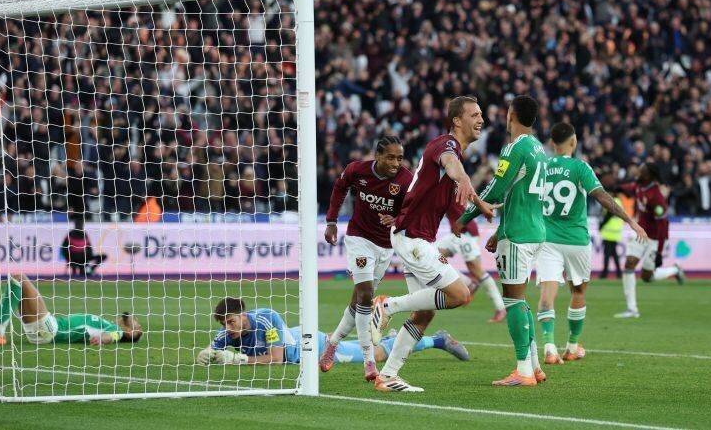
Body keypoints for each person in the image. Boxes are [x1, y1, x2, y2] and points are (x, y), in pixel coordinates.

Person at [370, 96, 495, 392]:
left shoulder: (454, 153)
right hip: (412, 237)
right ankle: (387, 306)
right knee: (460, 293)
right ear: (457, 121)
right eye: (474, 115)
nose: (481, 120)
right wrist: (464, 179)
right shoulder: (445, 146)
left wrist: (480, 204)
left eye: (481, 115)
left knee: (424, 313)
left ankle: (387, 376)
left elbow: (456, 179)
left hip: (415, 236)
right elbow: (452, 167)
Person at [534, 123, 647, 365]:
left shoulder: (541, 167)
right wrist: (630, 221)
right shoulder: (580, 167)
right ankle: (572, 346)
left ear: (553, 144)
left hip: (546, 239)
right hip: (576, 240)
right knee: (578, 292)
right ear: (573, 142)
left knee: (547, 294)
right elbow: (602, 197)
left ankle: (550, 347)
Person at [459, 95, 547, 387]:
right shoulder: (539, 149)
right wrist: (499, 231)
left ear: (511, 115)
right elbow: (519, 194)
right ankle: (533, 366)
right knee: (521, 301)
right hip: (534, 231)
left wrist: (465, 217)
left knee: (512, 300)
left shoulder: (515, 148)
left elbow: (496, 190)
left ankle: (522, 369)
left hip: (519, 235)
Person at [319, 136, 412, 381]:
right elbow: (339, 189)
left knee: (359, 300)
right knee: (366, 295)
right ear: (378, 156)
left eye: (399, 158)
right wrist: (331, 221)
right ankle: (369, 362)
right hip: (359, 239)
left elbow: (411, 209)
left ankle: (333, 341)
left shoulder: (405, 179)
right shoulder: (357, 170)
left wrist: (398, 220)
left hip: (385, 246)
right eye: (390, 157)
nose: (395, 163)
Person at [195, 298, 470, 366]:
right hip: (299, 339)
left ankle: (438, 339)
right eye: (224, 324)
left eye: (230, 322)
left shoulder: (266, 318)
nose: (227, 328)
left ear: (243, 315)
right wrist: (207, 354)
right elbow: (214, 348)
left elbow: (276, 359)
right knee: (367, 347)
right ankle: (390, 336)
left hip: (307, 347)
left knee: (373, 356)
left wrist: (238, 360)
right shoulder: (228, 332)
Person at [0, 273, 142, 346]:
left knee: (18, 277)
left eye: (135, 324)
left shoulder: (116, 330)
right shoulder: (111, 324)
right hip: (44, 330)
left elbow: (116, 336)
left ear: (130, 330)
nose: (131, 320)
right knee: (16, 284)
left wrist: (103, 339)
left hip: (51, 329)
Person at [614, 163, 685, 318]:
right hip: (642, 233)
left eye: (642, 171)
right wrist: (617, 187)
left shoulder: (657, 197)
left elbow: (663, 226)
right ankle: (632, 309)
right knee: (629, 263)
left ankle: (675, 270)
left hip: (656, 238)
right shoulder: (639, 186)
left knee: (647, 277)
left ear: (649, 176)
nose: (638, 172)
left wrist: (659, 252)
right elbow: (629, 188)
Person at [438, 203, 506, 323]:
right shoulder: (453, 187)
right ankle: (468, 283)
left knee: (478, 272)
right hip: (457, 233)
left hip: (466, 234)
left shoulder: (451, 187)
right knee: (433, 256)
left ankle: (501, 308)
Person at [599, 168, 625, 279]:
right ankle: (619, 273)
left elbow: (608, 216)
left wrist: (601, 226)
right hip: (615, 232)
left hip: (609, 232)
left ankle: (604, 274)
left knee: (607, 255)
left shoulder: (611, 202)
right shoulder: (619, 202)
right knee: (614, 255)